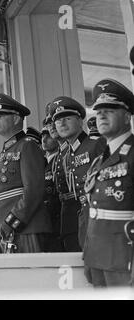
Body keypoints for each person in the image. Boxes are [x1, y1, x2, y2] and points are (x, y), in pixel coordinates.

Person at [83, 79, 134, 287]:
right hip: (98, 256)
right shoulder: (99, 160)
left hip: (125, 257)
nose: (101, 115)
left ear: (127, 116)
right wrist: (89, 252)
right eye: (98, 110)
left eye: (110, 109)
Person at [0, 94, 52, 253]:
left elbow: (33, 191)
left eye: (1, 116)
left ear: (16, 119)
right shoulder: (6, 151)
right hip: (3, 227)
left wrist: (12, 222)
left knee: (31, 277)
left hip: (25, 228)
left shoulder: (27, 146)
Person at [52, 97, 106, 250]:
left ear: (80, 120)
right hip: (75, 218)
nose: (62, 124)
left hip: (96, 214)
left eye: (67, 118)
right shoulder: (65, 154)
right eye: (58, 121)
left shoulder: (96, 144)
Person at [42, 123, 63, 252]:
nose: (44, 139)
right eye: (43, 136)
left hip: (59, 219)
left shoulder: (62, 159)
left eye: (48, 136)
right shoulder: (41, 163)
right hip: (46, 222)